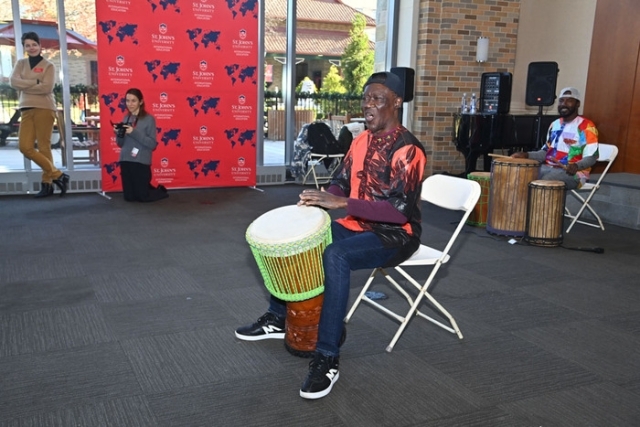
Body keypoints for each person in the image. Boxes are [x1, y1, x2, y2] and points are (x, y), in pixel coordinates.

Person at [235, 71, 427, 399]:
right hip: (357, 223)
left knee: (335, 255)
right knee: (300, 242)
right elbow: (340, 181)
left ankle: (327, 356)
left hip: (396, 235)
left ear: (396, 102)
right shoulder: (361, 140)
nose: (368, 105)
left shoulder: (409, 150)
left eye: (377, 99)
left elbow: (397, 212)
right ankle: (277, 317)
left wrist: (339, 202)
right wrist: (320, 198)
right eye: (365, 98)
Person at [10, 32, 69, 198]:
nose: (31, 48)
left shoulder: (48, 65)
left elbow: (47, 88)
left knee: (44, 147)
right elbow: (13, 82)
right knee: (25, 147)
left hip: (45, 108)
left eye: (34, 44)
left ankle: (47, 184)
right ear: (24, 47)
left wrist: (25, 84)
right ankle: (58, 175)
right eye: (28, 45)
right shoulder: (20, 64)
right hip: (26, 109)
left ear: (39, 45)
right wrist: (35, 82)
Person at [511, 87, 599, 190]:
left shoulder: (586, 126)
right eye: (561, 100)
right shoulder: (555, 124)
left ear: (577, 104)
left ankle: (541, 206)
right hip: (549, 167)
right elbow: (545, 152)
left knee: (544, 182)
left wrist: (576, 166)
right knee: (523, 176)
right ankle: (525, 206)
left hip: (575, 174)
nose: (564, 104)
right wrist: (526, 154)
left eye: (569, 100)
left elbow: (592, 157)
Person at [114, 88, 168, 202]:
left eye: (133, 101)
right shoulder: (125, 118)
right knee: (129, 197)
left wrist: (133, 132)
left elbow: (152, 144)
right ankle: (146, 187)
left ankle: (160, 191)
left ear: (141, 102)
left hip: (140, 161)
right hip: (126, 160)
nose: (130, 104)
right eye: (128, 101)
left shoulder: (149, 119)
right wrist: (119, 133)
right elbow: (120, 143)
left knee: (142, 197)